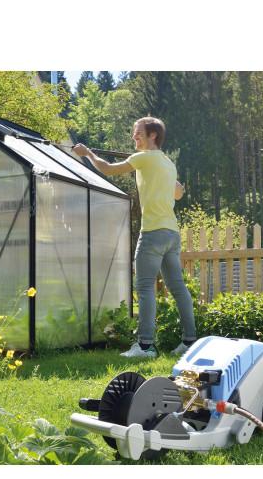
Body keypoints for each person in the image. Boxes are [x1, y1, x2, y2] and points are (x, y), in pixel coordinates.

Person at [71, 116, 197, 357]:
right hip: (171, 233)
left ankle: (146, 345)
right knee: (178, 289)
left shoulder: (144, 158)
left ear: (153, 135)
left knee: (145, 287)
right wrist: (166, 176)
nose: (134, 136)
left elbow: (107, 169)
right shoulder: (167, 163)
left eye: (138, 132)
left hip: (153, 233)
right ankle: (190, 343)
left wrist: (87, 153)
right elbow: (178, 193)